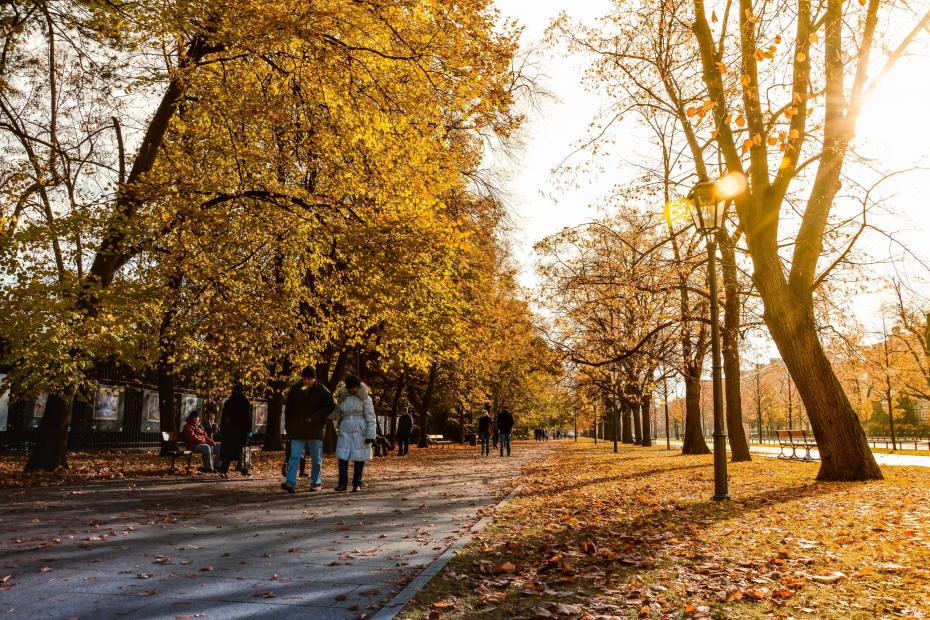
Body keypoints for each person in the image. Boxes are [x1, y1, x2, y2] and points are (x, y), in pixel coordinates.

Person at [282, 366, 335, 493]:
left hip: (314, 430)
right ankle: (290, 482)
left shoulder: (322, 390)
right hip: (298, 429)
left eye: (309, 379)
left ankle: (316, 482)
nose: (306, 381)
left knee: (317, 460)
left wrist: (316, 417)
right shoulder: (296, 389)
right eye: (304, 378)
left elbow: (330, 407)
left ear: (314, 379)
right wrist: (289, 427)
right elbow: (289, 409)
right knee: (294, 457)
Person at [331, 375, 376, 492]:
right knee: (342, 456)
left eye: (353, 388)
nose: (351, 390)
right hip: (345, 427)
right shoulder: (343, 396)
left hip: (360, 428)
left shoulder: (366, 398)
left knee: (359, 457)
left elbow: (371, 417)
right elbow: (338, 411)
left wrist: (370, 435)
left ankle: (357, 483)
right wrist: (333, 417)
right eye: (349, 388)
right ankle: (342, 484)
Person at [218, 384, 251, 478]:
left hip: (229, 431)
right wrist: (248, 431)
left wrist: (222, 430)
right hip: (241, 431)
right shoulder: (244, 402)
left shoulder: (228, 402)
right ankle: (244, 470)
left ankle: (223, 470)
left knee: (227, 452)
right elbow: (247, 418)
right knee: (242, 451)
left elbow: (224, 418)